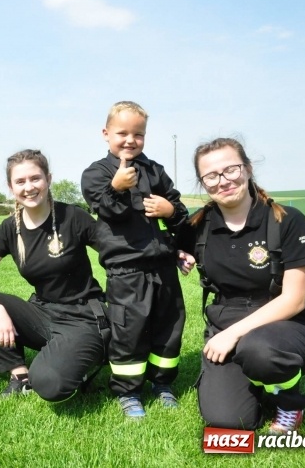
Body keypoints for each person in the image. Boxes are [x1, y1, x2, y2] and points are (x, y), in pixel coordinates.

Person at [176, 137, 305, 434]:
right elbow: (161, 248)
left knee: (259, 350)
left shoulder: (286, 219)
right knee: (228, 422)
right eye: (211, 176)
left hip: (287, 324)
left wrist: (232, 334)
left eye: (230, 169)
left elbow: (294, 299)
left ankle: (288, 401)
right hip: (226, 322)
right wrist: (176, 256)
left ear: (247, 168)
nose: (223, 181)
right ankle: (258, 384)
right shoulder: (197, 226)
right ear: (203, 183)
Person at [0, 149, 110, 402]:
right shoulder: (10, 227)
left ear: (48, 179)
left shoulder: (72, 217)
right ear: (10, 187)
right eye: (20, 181)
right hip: (42, 313)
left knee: (49, 385)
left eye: (35, 178)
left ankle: (73, 359)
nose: (29, 187)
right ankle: (19, 374)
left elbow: (116, 253)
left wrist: (168, 251)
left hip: (82, 318)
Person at [81, 100, 188, 419]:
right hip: (126, 270)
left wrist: (171, 213)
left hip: (163, 267)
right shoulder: (96, 173)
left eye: (138, 134)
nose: (130, 140)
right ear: (106, 133)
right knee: (129, 331)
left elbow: (178, 210)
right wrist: (116, 187)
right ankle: (128, 391)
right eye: (122, 133)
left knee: (169, 328)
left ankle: (163, 384)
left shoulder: (155, 170)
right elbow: (107, 209)